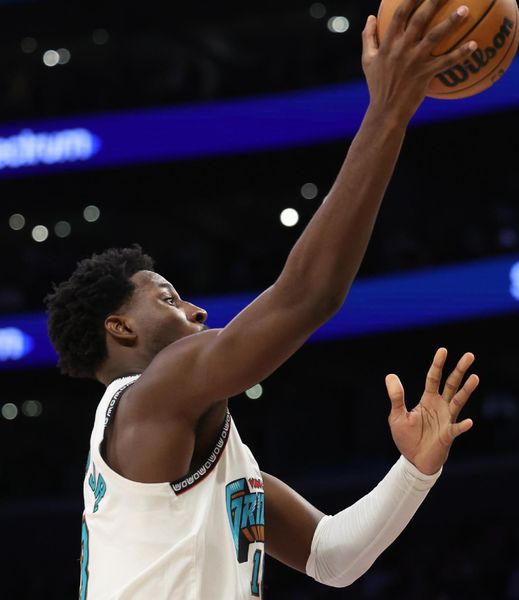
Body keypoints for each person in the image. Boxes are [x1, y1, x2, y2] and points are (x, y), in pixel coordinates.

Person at [44, 1, 480, 598]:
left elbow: (332, 557)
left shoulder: (202, 449)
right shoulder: (152, 392)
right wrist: (388, 112)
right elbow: (308, 297)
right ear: (120, 329)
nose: (196, 312)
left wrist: (414, 471)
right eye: (170, 299)